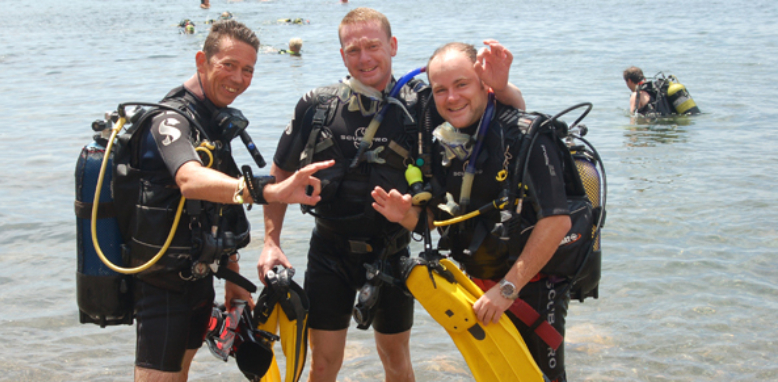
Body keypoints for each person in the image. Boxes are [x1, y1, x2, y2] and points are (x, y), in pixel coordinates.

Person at [258, 8, 524, 382]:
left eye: (372, 46)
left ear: (393, 46)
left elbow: (507, 121)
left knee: (396, 360)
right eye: (353, 50)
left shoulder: (424, 103)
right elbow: (279, 174)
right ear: (341, 55)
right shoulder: (317, 105)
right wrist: (271, 241)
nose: (364, 58)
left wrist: (504, 85)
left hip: (393, 252)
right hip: (329, 253)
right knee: (322, 363)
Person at [122, 20, 333, 382]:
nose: (238, 78)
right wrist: (270, 190)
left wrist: (233, 275)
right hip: (163, 285)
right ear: (202, 59)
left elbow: (216, 207)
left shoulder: (213, 122)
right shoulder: (170, 120)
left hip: (200, 279)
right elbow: (189, 179)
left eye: (248, 69)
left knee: (182, 372)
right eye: (228, 65)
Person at [371, 42, 573, 382]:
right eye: (441, 90)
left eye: (461, 84)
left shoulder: (528, 137)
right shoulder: (444, 145)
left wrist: (508, 289)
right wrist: (403, 216)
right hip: (478, 286)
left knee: (542, 377)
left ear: (484, 83)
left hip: (533, 286)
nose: (451, 98)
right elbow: (443, 220)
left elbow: (557, 221)